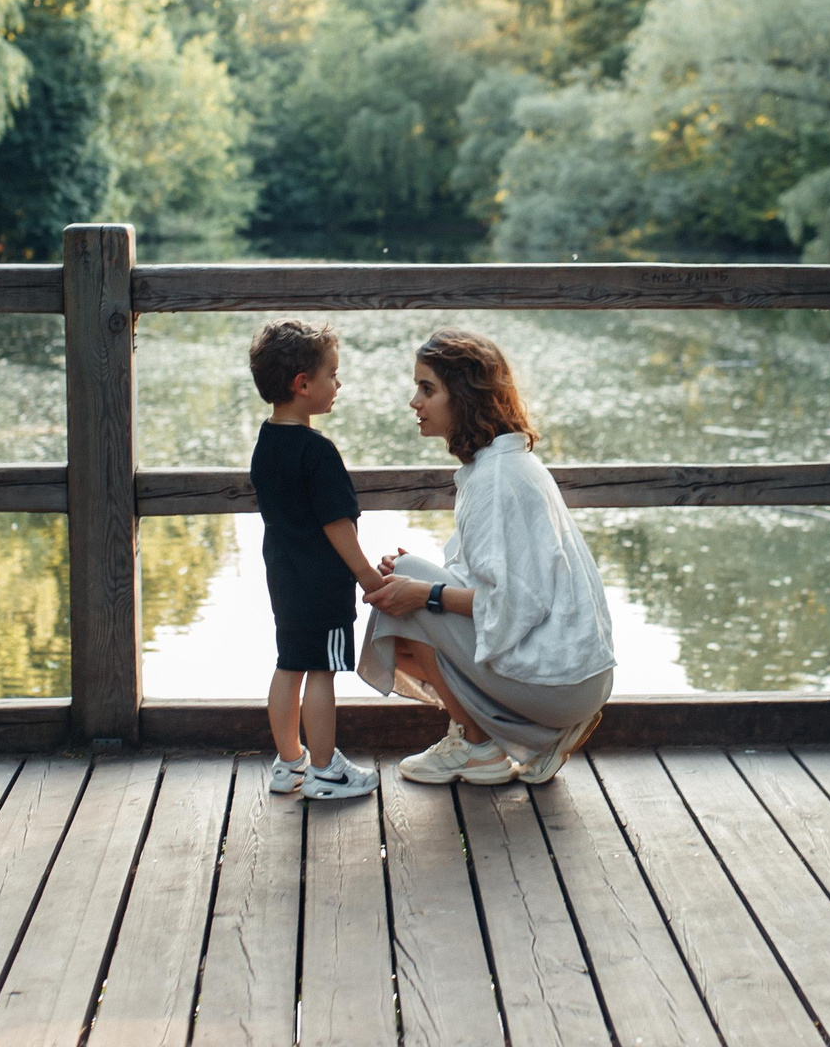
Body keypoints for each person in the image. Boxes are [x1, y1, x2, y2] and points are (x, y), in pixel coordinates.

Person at [358, 330, 614, 785]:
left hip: (564, 685)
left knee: (408, 599)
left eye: (427, 389)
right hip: (574, 680)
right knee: (407, 580)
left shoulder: (497, 479)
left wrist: (424, 592)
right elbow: (492, 581)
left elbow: (513, 604)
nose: (414, 402)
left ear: (463, 397)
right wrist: (419, 582)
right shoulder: (499, 464)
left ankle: (478, 748)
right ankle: (531, 734)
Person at [248, 319, 382, 800]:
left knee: (290, 664)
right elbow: (336, 524)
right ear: (303, 385)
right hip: (322, 582)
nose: (338, 385)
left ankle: (290, 763)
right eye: (333, 374)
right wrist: (366, 576)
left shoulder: (266, 443)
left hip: (283, 577)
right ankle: (325, 770)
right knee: (322, 671)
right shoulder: (318, 452)